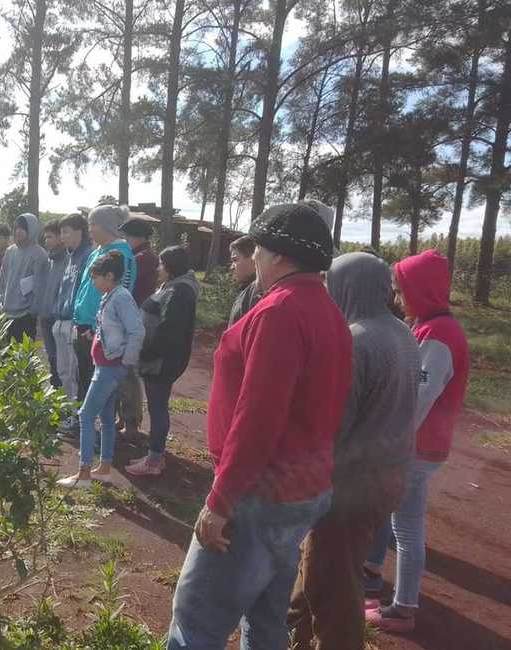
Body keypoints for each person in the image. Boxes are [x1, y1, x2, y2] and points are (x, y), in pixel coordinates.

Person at [166, 203, 351, 650]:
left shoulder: (280, 312)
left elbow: (259, 416)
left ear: (278, 256)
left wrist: (220, 500)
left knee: (197, 620)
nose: (256, 261)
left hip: (259, 494)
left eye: (259, 251)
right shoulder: (327, 311)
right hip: (301, 489)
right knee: (266, 617)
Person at [287, 252, 421, 650]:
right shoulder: (402, 334)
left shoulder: (355, 339)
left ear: (347, 287)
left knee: (335, 583)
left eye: (332, 284)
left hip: (352, 485)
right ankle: (292, 629)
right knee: (326, 563)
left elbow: (335, 426)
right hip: (389, 476)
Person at [364, 249, 470, 634]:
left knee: (405, 528)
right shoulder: (430, 326)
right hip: (420, 445)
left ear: (422, 290)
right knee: (403, 525)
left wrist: (389, 442)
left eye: (402, 289)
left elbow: (418, 399)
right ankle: (397, 597)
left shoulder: (439, 335)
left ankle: (403, 608)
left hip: (414, 447)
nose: (397, 298)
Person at [57, 251, 144, 488]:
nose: (93, 283)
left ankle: (83, 473)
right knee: (106, 418)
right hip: (105, 365)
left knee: (85, 415)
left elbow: (136, 331)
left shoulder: (121, 298)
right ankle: (104, 468)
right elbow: (111, 328)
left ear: (110, 276)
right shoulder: (111, 295)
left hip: (109, 369)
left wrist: (125, 362)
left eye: (96, 278)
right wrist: (96, 334)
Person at [125, 246, 200, 477]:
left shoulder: (179, 291)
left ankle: (154, 460)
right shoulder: (173, 286)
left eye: (160, 264)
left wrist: (147, 352)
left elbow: (169, 330)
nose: (158, 268)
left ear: (169, 266)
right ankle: (155, 455)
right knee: (157, 406)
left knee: (157, 409)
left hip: (160, 362)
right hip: (158, 359)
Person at [70, 204, 136, 428]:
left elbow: (119, 296)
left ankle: (99, 430)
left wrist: (99, 327)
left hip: (98, 332)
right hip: (83, 325)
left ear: (106, 226)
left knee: (99, 383)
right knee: (84, 377)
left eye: (92, 224)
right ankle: (83, 423)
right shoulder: (97, 251)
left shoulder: (122, 255)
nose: (89, 229)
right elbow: (85, 288)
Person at [116, 218, 160, 436]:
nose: (125, 240)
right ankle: (124, 418)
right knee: (122, 372)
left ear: (137, 236)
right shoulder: (140, 256)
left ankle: (131, 420)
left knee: (129, 372)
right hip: (130, 317)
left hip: (133, 319)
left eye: (128, 236)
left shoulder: (143, 258)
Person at [51, 213, 94, 434]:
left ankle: (78, 418)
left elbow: (85, 291)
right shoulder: (70, 255)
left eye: (66, 231)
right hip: (60, 319)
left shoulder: (88, 255)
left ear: (80, 231)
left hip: (73, 322)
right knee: (63, 372)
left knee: (74, 372)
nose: (62, 236)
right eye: (61, 232)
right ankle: (70, 412)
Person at [0, 213, 48, 342]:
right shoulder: (10, 251)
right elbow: (2, 279)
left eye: (23, 228)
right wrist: (1, 300)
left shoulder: (39, 254)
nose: (18, 231)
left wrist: (32, 311)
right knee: (6, 357)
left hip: (26, 315)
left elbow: (40, 286)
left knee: (22, 358)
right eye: (16, 228)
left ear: (31, 230)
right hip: (7, 313)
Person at [38, 221, 67, 387]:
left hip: (58, 316)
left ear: (60, 237)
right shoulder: (49, 259)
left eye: (50, 237)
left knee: (61, 359)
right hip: (46, 316)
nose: (46, 240)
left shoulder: (68, 259)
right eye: (45, 237)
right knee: (51, 356)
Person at [227, 235, 260, 328]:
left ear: (254, 258)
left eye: (235, 260)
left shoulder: (257, 295)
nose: (231, 267)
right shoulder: (247, 289)